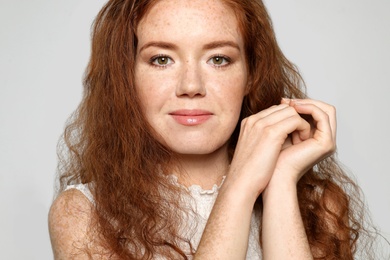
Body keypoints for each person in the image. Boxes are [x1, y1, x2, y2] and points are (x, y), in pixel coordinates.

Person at [48, 0, 377, 259]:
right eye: (162, 59)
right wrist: (240, 185)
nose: (191, 86)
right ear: (127, 79)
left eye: (218, 59)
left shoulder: (319, 207)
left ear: (251, 75)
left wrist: (279, 182)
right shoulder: (83, 214)